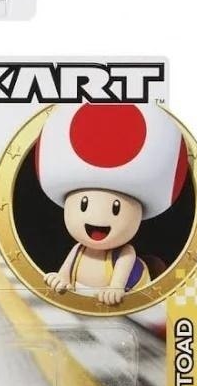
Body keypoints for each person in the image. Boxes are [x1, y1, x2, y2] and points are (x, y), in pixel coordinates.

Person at [37, 103, 188, 304]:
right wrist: (59, 279)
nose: (97, 218)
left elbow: (118, 284)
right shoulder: (78, 250)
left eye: (116, 208)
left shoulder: (125, 253)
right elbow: (65, 274)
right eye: (84, 205)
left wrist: (115, 289)